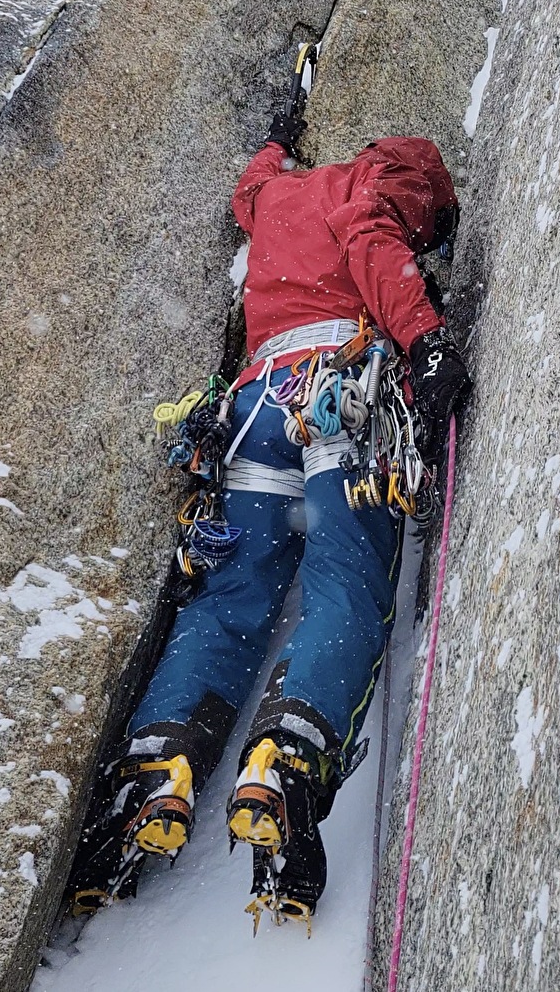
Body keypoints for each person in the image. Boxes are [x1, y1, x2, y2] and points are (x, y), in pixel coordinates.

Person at [69, 109, 471, 927]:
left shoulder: (278, 195)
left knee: (227, 598)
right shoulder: (368, 189)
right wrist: (425, 337)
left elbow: (247, 187)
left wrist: (277, 138)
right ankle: (288, 756)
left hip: (254, 408)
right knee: (344, 582)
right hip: (341, 394)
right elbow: (371, 240)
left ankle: (160, 764)